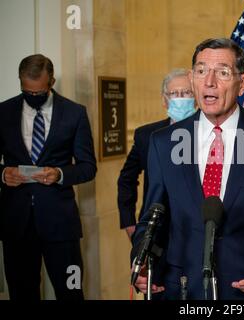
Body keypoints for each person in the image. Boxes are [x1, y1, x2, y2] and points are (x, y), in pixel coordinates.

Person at [131, 38, 244, 300]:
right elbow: (151, 219)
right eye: (201, 71)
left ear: (243, 82)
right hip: (182, 291)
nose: (210, 82)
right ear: (193, 78)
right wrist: (140, 259)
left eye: (223, 72)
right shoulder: (163, 142)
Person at [0, 54, 97, 300]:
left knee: (71, 292)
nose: (33, 98)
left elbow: (88, 167)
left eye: (39, 92)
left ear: (51, 82)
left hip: (60, 225)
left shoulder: (75, 113)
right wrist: (3, 174)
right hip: (16, 224)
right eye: (26, 92)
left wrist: (60, 174)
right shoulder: (3, 112)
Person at [117, 69, 195, 240]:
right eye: (174, 93)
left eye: (187, 92)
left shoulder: (211, 132)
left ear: (196, 98)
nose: (181, 97)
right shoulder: (146, 135)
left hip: (196, 230)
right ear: (164, 100)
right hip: (156, 230)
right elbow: (126, 179)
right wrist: (129, 223)